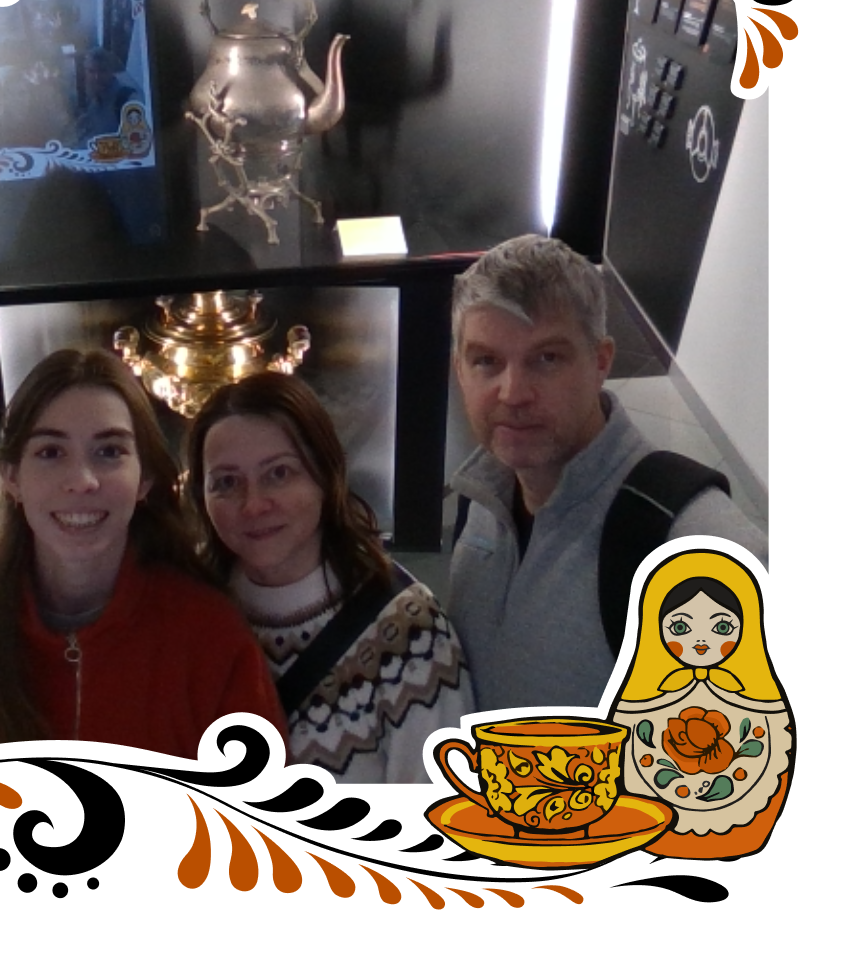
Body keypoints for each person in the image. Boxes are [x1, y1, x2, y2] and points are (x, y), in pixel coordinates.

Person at [0, 349, 289, 757]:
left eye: (109, 452)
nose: (82, 480)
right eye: (51, 453)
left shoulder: (211, 637)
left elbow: (262, 797)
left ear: (144, 478)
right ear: (12, 477)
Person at [448, 234, 767, 712]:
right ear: (459, 369)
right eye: (486, 361)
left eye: (547, 358)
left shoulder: (697, 550)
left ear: (600, 362)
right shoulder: (481, 495)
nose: (512, 393)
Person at [186, 372, 473, 784]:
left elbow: (433, 807)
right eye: (227, 483)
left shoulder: (409, 631)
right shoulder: (186, 617)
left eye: (279, 473)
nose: (254, 505)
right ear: (201, 496)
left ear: (325, 474)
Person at [611, 548, 793, 859]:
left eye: (721, 628)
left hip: (745, 833)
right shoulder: (641, 701)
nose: (700, 642)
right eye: (680, 628)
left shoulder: (763, 704)